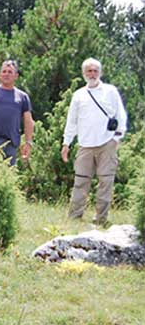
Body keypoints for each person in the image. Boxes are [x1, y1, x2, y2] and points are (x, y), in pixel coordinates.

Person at [61, 57, 127, 225]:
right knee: (80, 181)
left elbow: (121, 115)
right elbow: (72, 120)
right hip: (85, 144)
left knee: (106, 182)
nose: (92, 74)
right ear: (84, 73)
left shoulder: (110, 91)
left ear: (100, 72)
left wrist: (117, 138)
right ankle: (75, 218)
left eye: (95, 71)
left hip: (107, 143)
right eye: (89, 71)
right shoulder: (78, 95)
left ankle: (101, 219)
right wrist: (66, 143)